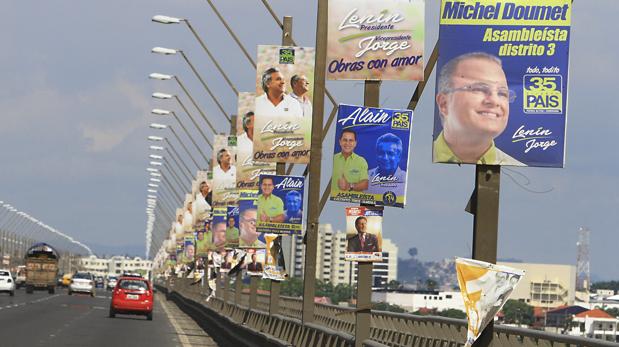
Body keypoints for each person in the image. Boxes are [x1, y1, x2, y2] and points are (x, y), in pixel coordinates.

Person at [434, 52, 523, 165]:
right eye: (479, 89)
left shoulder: (521, 171)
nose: (494, 101)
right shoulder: (413, 162)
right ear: (444, 103)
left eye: (502, 93)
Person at [367, 133, 407, 197]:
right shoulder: (366, 176)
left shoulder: (405, 179)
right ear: (376, 155)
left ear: (399, 156)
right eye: (381, 153)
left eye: (390, 153)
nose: (385, 158)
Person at [331, 129, 369, 196]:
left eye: (351, 140)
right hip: (331, 201)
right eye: (345, 140)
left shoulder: (361, 161)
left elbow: (365, 184)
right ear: (340, 142)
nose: (347, 143)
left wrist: (349, 186)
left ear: (355, 143)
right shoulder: (332, 159)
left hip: (353, 202)